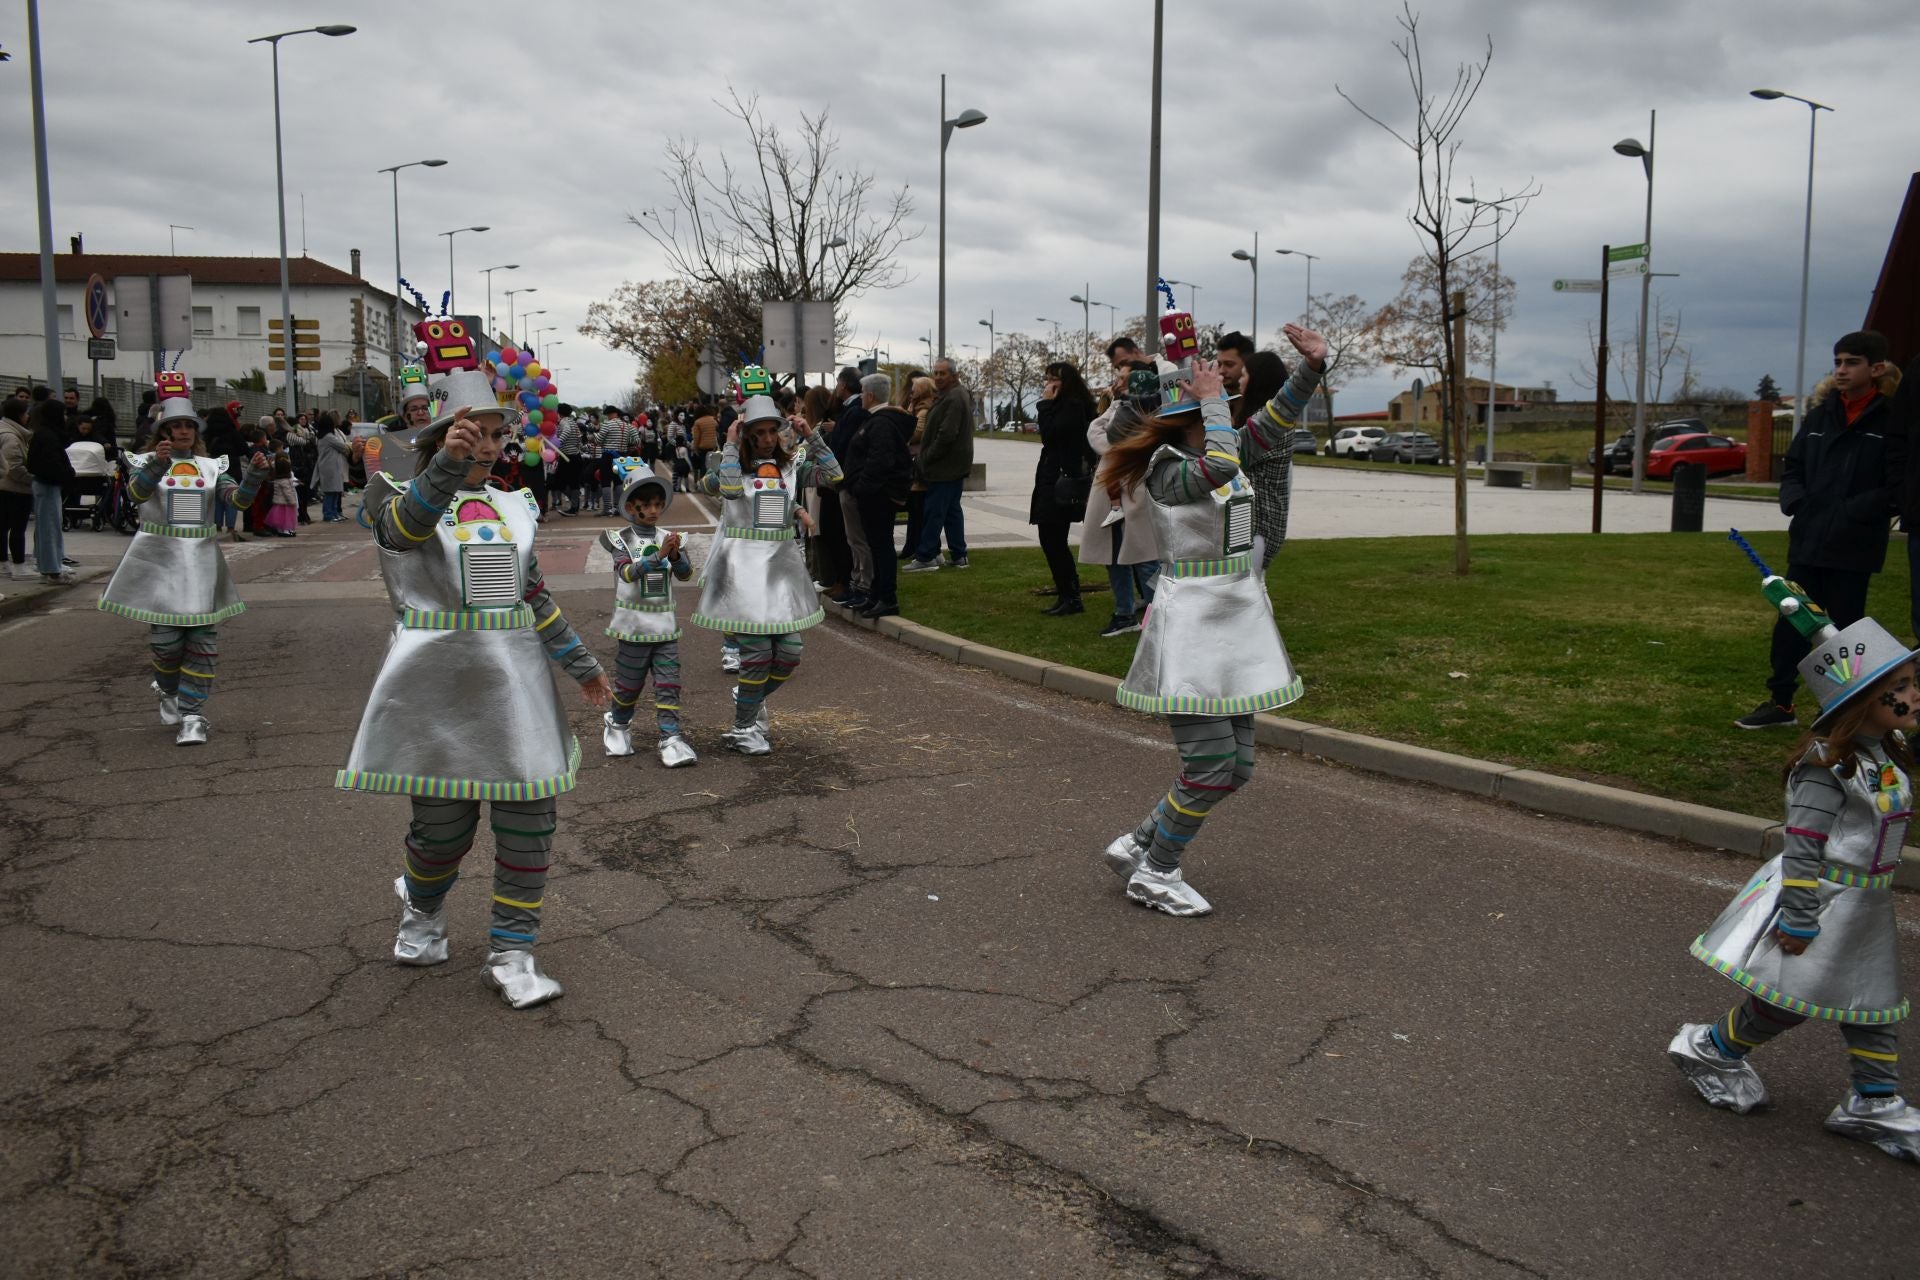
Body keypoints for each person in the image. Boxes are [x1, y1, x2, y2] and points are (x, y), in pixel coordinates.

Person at [338, 357, 609, 1011]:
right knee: (442, 837)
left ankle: (512, 954)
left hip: (513, 691)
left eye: (494, 434)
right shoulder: (400, 496)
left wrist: (581, 665)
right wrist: (442, 470)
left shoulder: (513, 505)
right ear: (436, 438)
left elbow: (533, 596)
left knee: (529, 827)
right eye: (472, 433)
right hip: (438, 693)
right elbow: (405, 535)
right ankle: (421, 911)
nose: (488, 446)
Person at [1670, 562, 1919, 1162]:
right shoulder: (1826, 768)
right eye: (1900, 687)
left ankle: (1874, 1100)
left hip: (1867, 901)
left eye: (1913, 681)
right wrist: (1801, 913)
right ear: (1860, 702)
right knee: (1785, 1003)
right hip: (1826, 899)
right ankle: (1712, 1047)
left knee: (1873, 1002)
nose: (1913, 694)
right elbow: (1803, 843)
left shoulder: (1887, 752)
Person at [1099, 320, 1325, 916]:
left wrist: (1313, 368)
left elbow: (1275, 421)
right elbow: (1221, 467)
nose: (1226, 408)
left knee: (1237, 767)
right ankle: (1157, 872)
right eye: (1214, 406)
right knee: (1209, 764)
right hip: (1193, 627)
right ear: (1191, 415)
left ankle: (1140, 843)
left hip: (1238, 620)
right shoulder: (1168, 470)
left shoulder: (1220, 441)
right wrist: (1213, 407)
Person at [1737, 331, 1901, 730]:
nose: (1842, 370)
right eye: (1838, 362)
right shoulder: (1820, 415)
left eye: (1852, 362)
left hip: (1854, 545)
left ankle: (1842, 710)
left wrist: (1850, 512)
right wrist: (1797, 502)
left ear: (1875, 368)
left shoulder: (1892, 420)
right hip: (1809, 541)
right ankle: (1781, 703)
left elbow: (1896, 486)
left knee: (1843, 632)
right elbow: (1793, 467)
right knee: (1792, 621)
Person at [96, 380, 270, 744]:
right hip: (160, 562)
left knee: (203, 643)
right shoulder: (145, 462)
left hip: (201, 563)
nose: (184, 431)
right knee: (166, 644)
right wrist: (158, 465)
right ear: (163, 431)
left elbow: (235, 501)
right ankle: (168, 689)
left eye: (189, 426)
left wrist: (253, 475)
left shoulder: (210, 467)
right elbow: (136, 494)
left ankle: (193, 715)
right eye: (176, 426)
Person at [691, 369, 842, 755]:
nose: (765, 440)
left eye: (771, 432)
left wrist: (811, 434)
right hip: (743, 573)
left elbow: (835, 475)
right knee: (757, 655)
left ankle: (748, 696)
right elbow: (724, 489)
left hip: (780, 572)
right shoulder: (727, 467)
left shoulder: (792, 467)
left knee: (789, 654)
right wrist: (728, 445)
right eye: (757, 433)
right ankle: (744, 728)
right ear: (745, 435)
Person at [600, 462, 697, 768]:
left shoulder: (669, 536)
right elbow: (626, 573)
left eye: (658, 504)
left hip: (665, 629)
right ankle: (617, 723)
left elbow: (685, 574)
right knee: (629, 686)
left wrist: (676, 554)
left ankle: (671, 737)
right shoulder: (621, 539)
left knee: (668, 684)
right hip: (633, 628)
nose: (654, 510)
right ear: (631, 507)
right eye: (646, 505)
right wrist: (658, 556)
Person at [1081, 358, 1162, 637]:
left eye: (1125, 377)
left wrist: (1115, 410)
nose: (1118, 382)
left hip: (1135, 489)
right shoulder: (1120, 405)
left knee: (1145, 556)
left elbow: (1109, 439)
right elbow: (1096, 430)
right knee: (1112, 554)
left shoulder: (1151, 407)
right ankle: (1124, 612)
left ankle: (1158, 615)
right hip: (1111, 492)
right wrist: (1114, 405)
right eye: (1119, 376)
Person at [844, 373, 914, 619]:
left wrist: (861, 488)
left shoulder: (882, 423)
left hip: (878, 496)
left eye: (863, 393)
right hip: (874, 494)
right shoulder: (878, 420)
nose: (861, 397)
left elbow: (879, 461)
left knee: (882, 546)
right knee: (875, 545)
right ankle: (876, 595)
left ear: (870, 395)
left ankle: (887, 597)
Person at [1032, 362, 1099, 614]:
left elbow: (1050, 435)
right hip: (1052, 478)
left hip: (1061, 482)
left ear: (1066, 381)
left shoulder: (1072, 406)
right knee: (1050, 538)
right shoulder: (1066, 405)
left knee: (1053, 539)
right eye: (1047, 377)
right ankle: (1066, 594)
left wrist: (1045, 404)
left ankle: (1071, 596)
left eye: (1054, 379)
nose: (1049, 383)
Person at [902, 358, 973, 572]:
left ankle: (926, 557)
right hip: (951, 465)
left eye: (943, 373)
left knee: (934, 511)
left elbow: (946, 434)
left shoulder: (954, 397)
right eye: (936, 373)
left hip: (945, 465)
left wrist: (926, 458)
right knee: (951, 511)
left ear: (954, 375)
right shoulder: (950, 395)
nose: (938, 377)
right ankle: (959, 555)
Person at [1236, 350, 1296, 567]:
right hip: (1255, 527)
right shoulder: (1261, 418)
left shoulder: (1270, 425)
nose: (1239, 381)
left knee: (1251, 594)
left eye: (1244, 375)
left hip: (1259, 528)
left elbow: (1228, 455)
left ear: (1257, 380)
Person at [829, 370, 874, 608]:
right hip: (847, 480)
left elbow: (845, 446)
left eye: (838, 382)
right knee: (852, 537)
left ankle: (861, 585)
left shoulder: (855, 411)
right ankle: (857, 583)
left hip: (849, 481)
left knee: (856, 538)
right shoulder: (851, 410)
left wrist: (838, 474)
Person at [26, 400, 74, 583]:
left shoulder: (44, 434)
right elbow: (50, 465)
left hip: (45, 485)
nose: (65, 417)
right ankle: (51, 569)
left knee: (47, 527)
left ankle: (49, 565)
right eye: (62, 414)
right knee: (49, 528)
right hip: (48, 485)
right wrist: (68, 474)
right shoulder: (48, 437)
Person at [900, 376, 936, 563]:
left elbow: (916, 433)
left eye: (914, 389)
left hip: (918, 464)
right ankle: (912, 546)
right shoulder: (916, 408)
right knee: (916, 510)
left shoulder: (923, 411)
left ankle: (918, 547)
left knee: (918, 509)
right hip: (916, 464)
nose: (911, 391)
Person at [0, 400, 33, 581]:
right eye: (26, 413)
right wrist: (33, 480)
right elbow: (14, 467)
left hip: (4, 488)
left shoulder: (4, 431)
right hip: (15, 489)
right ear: (20, 415)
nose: (28, 417)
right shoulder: (12, 437)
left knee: (3, 527)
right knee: (17, 529)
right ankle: (18, 566)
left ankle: (3, 563)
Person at [313, 416, 351, 522]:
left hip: (329, 466)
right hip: (330, 467)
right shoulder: (329, 437)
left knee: (334, 491)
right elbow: (343, 446)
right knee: (331, 491)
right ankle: (329, 514)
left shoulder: (321, 436)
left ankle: (333, 513)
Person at [261, 455, 299, 538]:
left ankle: (282, 530)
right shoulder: (284, 481)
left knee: (281, 518)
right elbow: (287, 492)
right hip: (285, 503)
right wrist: (292, 501)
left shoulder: (278, 480)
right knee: (286, 518)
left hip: (279, 502)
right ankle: (286, 530)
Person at [1214, 331, 1254, 404]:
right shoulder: (1208, 400)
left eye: (1229, 364)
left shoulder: (1261, 404)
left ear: (1248, 364)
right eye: (1219, 364)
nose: (1221, 371)